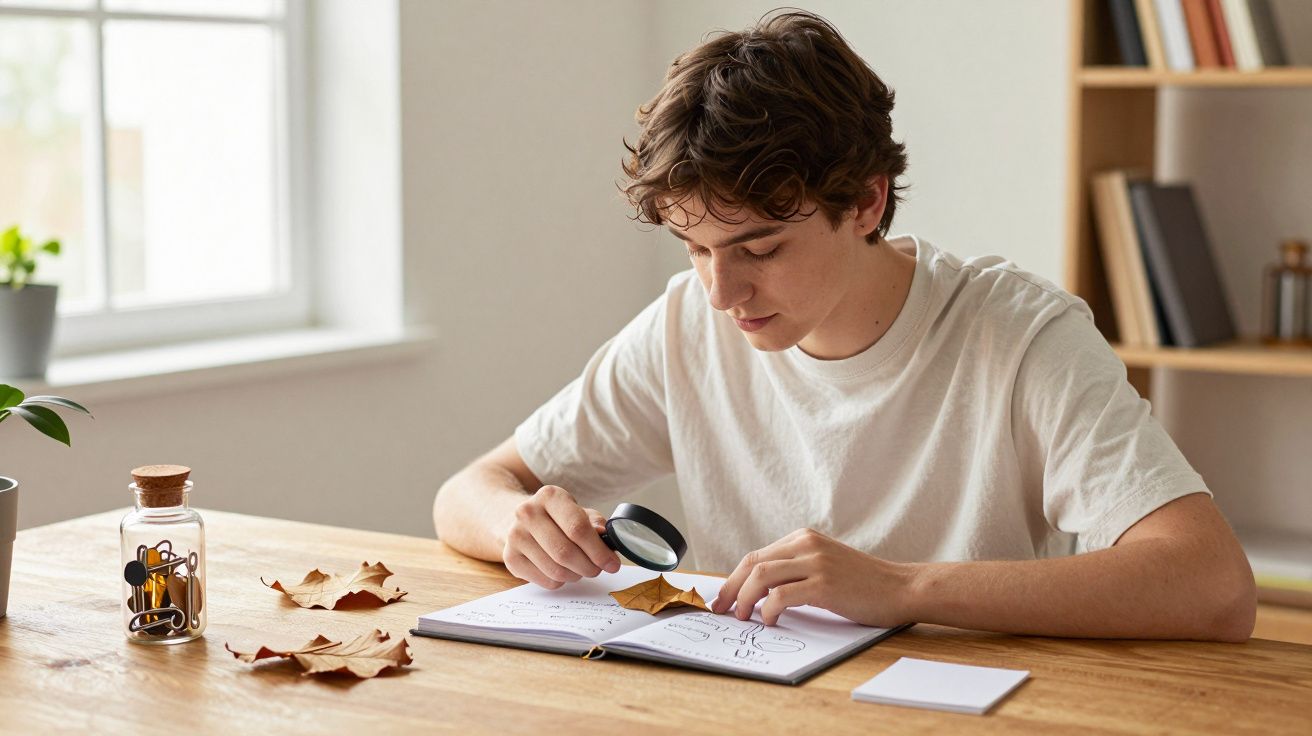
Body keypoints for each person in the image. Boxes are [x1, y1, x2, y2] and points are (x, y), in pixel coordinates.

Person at [433, 10, 1255, 642]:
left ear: (865, 201)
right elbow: (466, 492)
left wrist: (903, 589)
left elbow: (1213, 586)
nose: (722, 291)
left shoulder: (1021, 335)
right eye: (695, 248)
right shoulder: (688, 325)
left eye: (759, 246)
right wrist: (521, 526)